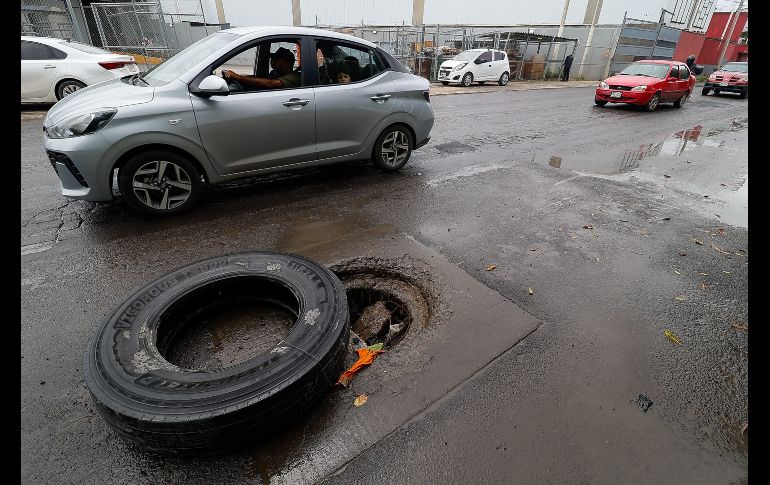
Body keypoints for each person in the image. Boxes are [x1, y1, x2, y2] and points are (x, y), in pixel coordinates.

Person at [222, 47, 299, 90]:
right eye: (273, 59)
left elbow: (271, 83)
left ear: (287, 63)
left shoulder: (294, 77)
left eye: (277, 59)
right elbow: (261, 79)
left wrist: (239, 77)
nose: (273, 61)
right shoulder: (274, 73)